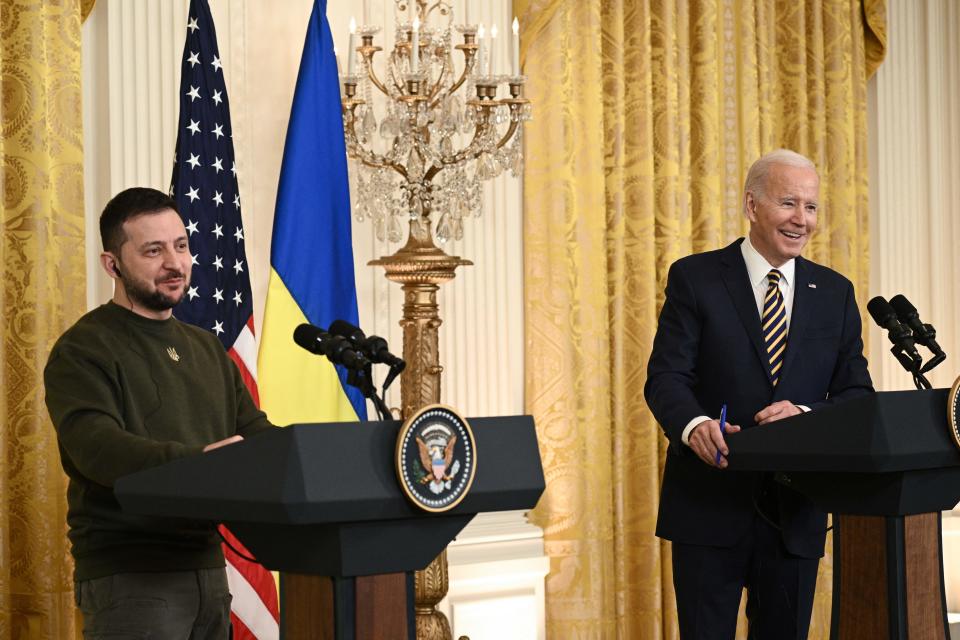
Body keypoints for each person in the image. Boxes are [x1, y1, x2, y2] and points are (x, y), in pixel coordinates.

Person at [644, 149, 873, 639]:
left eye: (811, 206)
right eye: (789, 203)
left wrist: (807, 416)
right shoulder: (696, 278)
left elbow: (857, 396)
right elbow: (666, 377)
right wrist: (694, 426)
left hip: (794, 516)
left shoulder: (835, 293)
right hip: (707, 507)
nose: (802, 220)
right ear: (752, 205)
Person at [44, 187, 276, 639]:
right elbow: (97, 448)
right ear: (112, 264)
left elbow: (255, 434)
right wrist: (201, 463)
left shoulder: (205, 347)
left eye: (181, 246)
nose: (175, 263)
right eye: (154, 251)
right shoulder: (83, 348)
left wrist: (312, 453)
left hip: (210, 570)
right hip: (131, 576)